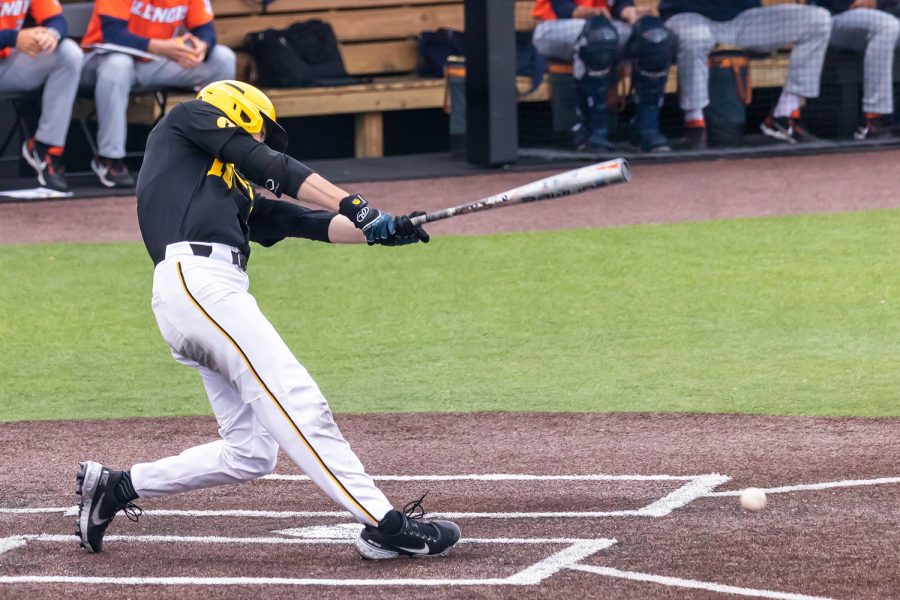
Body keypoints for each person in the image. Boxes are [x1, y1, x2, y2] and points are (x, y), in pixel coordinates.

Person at [75, 80, 461, 561]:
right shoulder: (186, 119)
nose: (260, 145)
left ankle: (118, 486)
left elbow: (305, 222)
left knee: (251, 453)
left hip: (205, 295)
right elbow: (273, 167)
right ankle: (384, 523)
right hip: (198, 283)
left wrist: (384, 230)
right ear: (238, 113)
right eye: (258, 133)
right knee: (294, 396)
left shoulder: (228, 189)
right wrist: (357, 205)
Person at [79, 0, 236, 188]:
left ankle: (214, 153)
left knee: (223, 58)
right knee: (117, 66)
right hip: (104, 57)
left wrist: (202, 45)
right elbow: (113, 34)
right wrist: (160, 47)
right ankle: (110, 158)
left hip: (154, 61)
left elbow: (205, 29)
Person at [659, 0, 832, 147]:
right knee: (696, 38)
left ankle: (783, 115)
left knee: (818, 20)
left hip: (743, 19)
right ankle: (694, 123)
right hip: (689, 17)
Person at [532, 0, 675, 152]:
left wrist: (629, 12)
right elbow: (562, 8)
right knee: (598, 36)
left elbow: (619, 3)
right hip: (554, 26)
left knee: (654, 37)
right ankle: (591, 131)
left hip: (601, 26)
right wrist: (591, 12)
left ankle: (646, 129)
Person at [0, 0, 82, 191]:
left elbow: (57, 20)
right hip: (10, 45)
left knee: (68, 53)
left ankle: (45, 148)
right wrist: (13, 37)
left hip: (8, 63)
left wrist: (51, 35)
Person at [813, 0, 900, 139]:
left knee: (888, 24)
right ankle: (872, 119)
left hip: (883, 15)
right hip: (832, 18)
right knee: (886, 26)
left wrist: (877, 2)